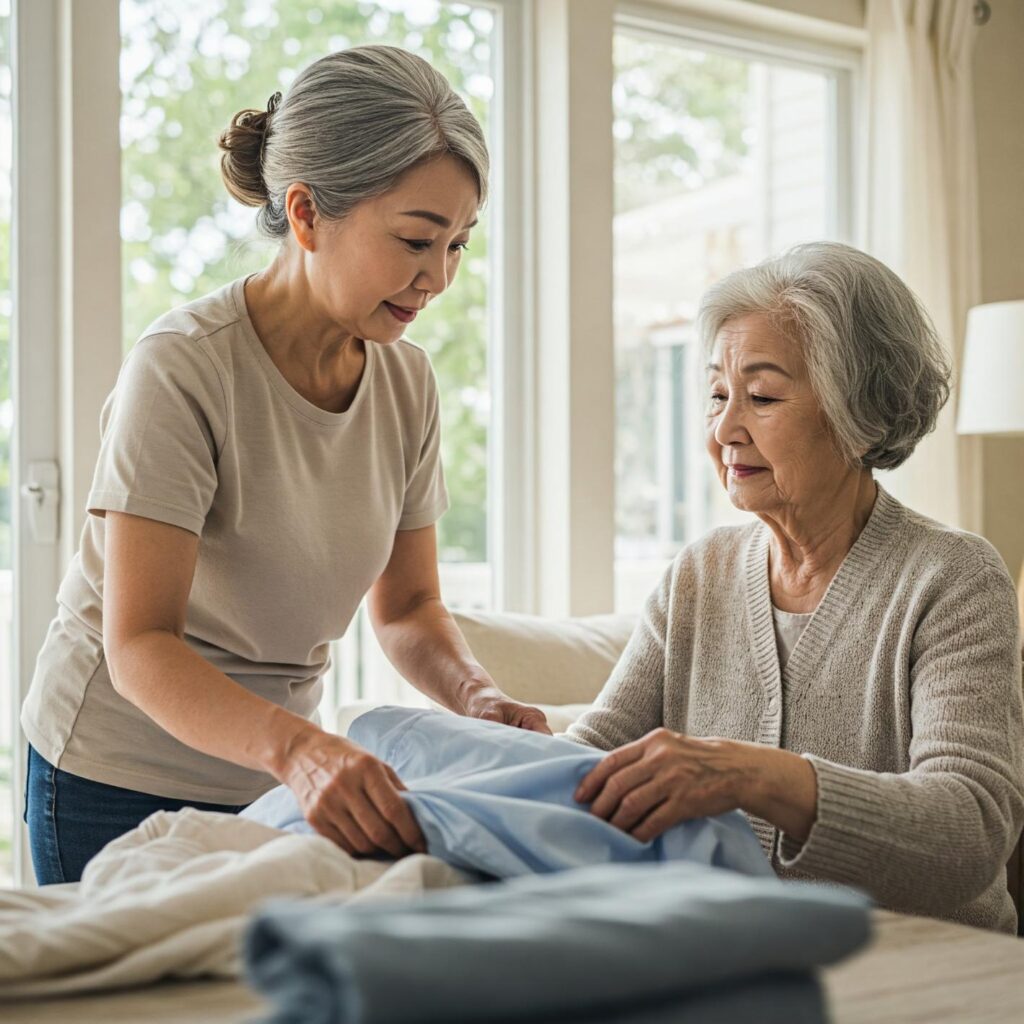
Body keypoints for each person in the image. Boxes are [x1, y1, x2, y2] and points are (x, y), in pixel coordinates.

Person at [22, 44, 549, 886]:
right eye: (417, 239)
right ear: (305, 214)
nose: (439, 277)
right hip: (115, 773)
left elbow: (410, 607)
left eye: (458, 244)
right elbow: (139, 642)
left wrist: (477, 697)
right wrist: (302, 750)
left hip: (278, 776)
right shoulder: (184, 368)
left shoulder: (405, 382)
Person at [569, 241, 1024, 932]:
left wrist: (755, 776)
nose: (724, 429)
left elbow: (970, 830)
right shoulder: (698, 574)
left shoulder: (953, 578)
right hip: (733, 952)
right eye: (718, 394)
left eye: (762, 396)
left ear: (857, 413)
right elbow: (592, 755)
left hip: (920, 957)